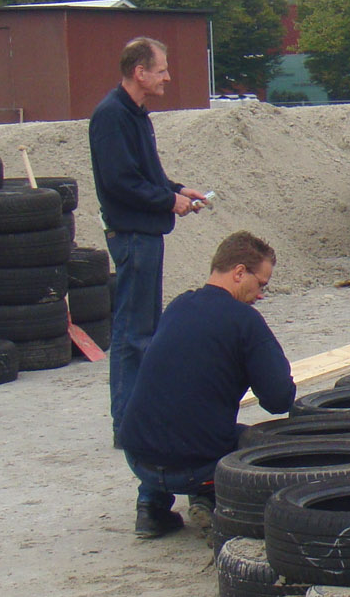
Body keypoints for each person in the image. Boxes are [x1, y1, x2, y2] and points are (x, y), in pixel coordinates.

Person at [116, 231, 295, 539]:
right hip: (193, 467)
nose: (261, 294)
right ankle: (213, 499)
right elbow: (280, 399)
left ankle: (150, 507)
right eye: (261, 284)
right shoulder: (245, 320)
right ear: (239, 272)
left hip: (138, 456)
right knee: (265, 444)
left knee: (169, 413)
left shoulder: (177, 306)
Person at [90, 36, 207, 440]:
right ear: (139, 72)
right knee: (132, 333)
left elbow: (144, 174)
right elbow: (120, 182)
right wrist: (166, 200)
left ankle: (138, 415)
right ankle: (127, 424)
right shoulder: (111, 117)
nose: (167, 78)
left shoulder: (136, 115)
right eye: (161, 70)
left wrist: (178, 190)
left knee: (145, 329)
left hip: (146, 233)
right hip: (133, 235)